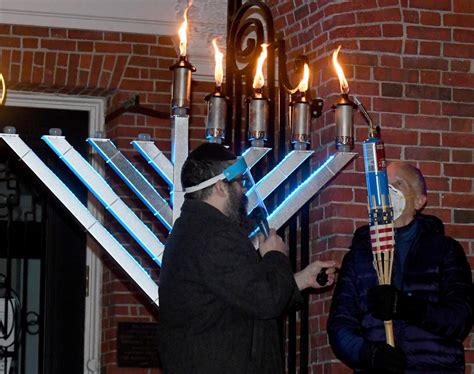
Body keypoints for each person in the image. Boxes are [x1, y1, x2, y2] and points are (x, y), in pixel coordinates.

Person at [158, 143, 337, 373]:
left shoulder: (195, 230)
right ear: (222, 187)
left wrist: (302, 280)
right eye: (240, 183)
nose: (243, 191)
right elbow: (266, 301)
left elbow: (244, 295)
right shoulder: (213, 235)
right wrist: (274, 255)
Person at [327, 161, 473, 373]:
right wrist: (368, 354)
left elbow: (460, 318)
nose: (388, 191)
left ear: (419, 201)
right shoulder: (360, 255)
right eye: (384, 185)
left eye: (398, 184)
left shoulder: (444, 250)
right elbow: (340, 324)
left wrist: (408, 307)